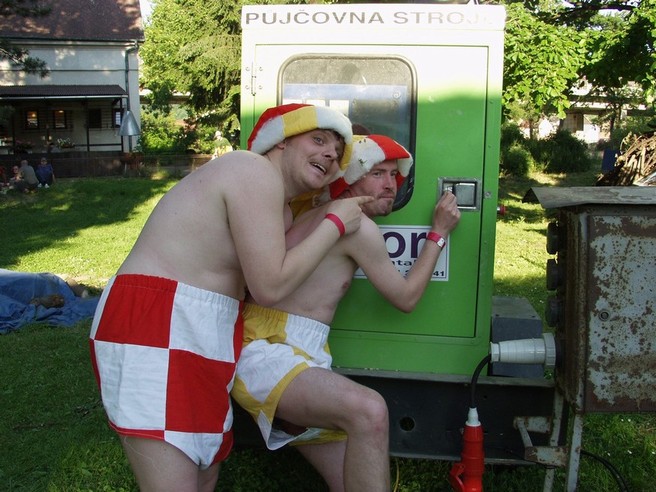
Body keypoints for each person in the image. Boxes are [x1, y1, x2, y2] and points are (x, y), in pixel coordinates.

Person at [89, 103, 373, 492]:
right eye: (318, 139)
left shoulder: (280, 208)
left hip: (208, 326)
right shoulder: (251, 169)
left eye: (337, 152)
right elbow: (271, 286)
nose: (329, 154)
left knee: (204, 468)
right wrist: (335, 223)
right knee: (174, 475)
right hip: (158, 316)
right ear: (282, 142)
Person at [232, 134, 461, 491]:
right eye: (378, 174)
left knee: (353, 482)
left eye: (395, 175)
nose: (391, 185)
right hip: (268, 349)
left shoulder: (322, 211)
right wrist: (439, 232)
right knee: (370, 410)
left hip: (286, 347)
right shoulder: (358, 228)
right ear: (351, 178)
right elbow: (406, 298)